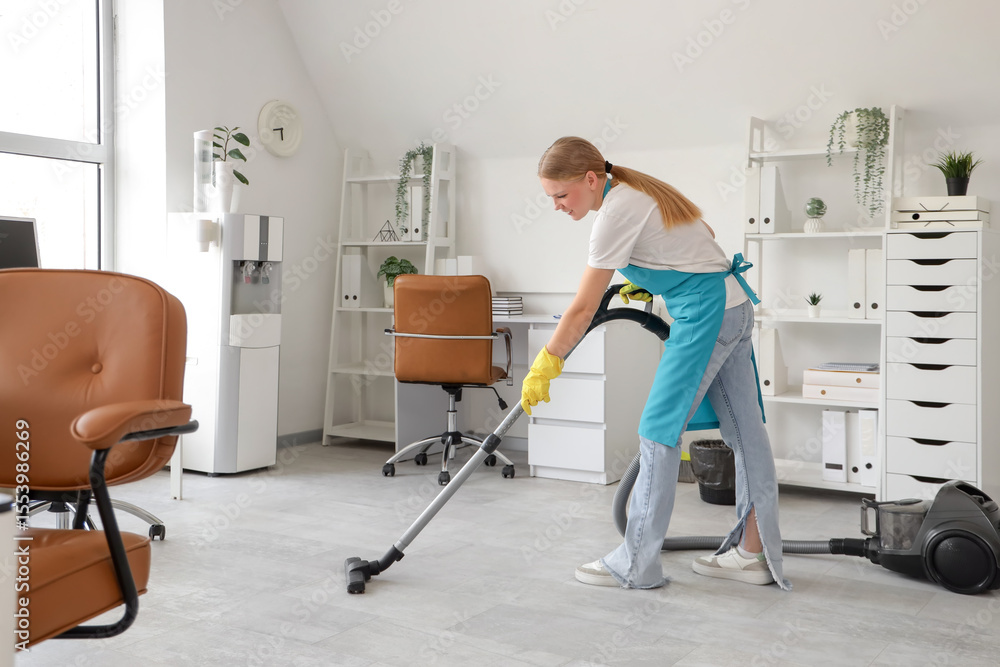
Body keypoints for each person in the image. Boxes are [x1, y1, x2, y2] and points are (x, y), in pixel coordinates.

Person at [521, 136, 790, 591]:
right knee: (746, 432)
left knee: (657, 429)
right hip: (730, 307)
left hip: (707, 314)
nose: (557, 206)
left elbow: (582, 309)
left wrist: (547, 362)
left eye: (561, 195)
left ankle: (636, 562)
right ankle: (753, 552)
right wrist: (650, 286)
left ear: (590, 179)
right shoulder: (633, 194)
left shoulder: (615, 213)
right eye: (551, 198)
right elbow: (684, 255)